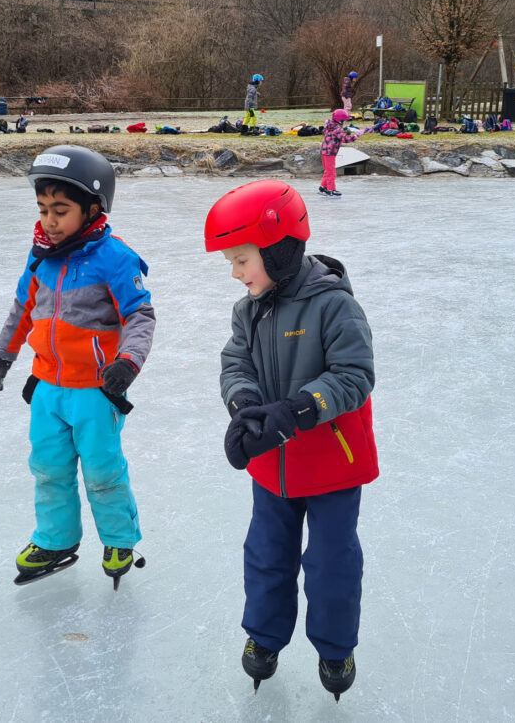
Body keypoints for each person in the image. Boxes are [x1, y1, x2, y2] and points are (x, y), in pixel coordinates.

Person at [204, 179, 376, 701]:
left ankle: (335, 646)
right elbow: (236, 363)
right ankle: (264, 636)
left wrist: (300, 408)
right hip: (272, 464)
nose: (235, 273)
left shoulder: (333, 305)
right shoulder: (248, 310)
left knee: (331, 562)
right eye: (231, 262)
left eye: (241, 260)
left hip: (331, 465)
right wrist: (244, 409)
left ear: (278, 250)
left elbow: (354, 375)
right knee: (266, 553)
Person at [0, 145, 156, 587]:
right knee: (48, 469)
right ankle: (55, 540)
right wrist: (5, 352)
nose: (49, 220)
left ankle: (119, 539)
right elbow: (23, 307)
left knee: (103, 471)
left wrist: (128, 362)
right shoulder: (40, 255)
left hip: (96, 390)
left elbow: (140, 316)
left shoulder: (115, 258)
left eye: (61, 211)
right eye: (43, 209)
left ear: (93, 209)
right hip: (47, 387)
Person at [319, 109, 363, 197]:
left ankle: (323, 187)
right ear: (340, 120)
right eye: (344, 120)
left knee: (328, 170)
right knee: (331, 172)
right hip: (330, 152)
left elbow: (334, 135)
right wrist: (357, 135)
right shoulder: (337, 128)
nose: (344, 122)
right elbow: (346, 139)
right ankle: (331, 190)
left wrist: (344, 131)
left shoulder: (330, 125)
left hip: (324, 151)